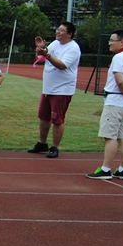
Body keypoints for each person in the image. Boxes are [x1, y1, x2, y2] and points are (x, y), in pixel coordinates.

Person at [86, 31, 123, 180]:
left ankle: (105, 169)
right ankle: (122, 169)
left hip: (116, 101)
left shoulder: (119, 57)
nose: (110, 43)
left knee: (110, 136)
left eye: (112, 40)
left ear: (122, 42)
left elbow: (120, 81)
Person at [28, 22, 82, 158]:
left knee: (57, 119)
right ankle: (42, 143)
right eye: (58, 29)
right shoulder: (54, 44)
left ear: (69, 34)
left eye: (61, 30)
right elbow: (39, 59)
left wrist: (47, 55)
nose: (58, 32)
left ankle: (54, 147)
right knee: (43, 117)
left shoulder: (73, 48)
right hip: (48, 88)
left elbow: (62, 65)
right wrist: (39, 49)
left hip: (62, 89)